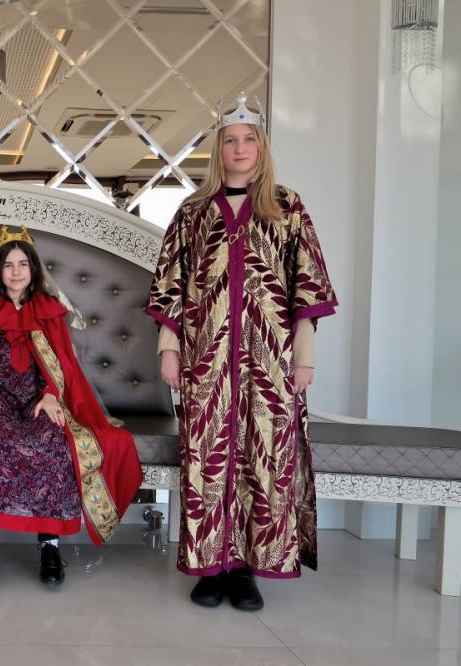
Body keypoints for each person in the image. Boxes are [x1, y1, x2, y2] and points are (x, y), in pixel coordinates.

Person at [145, 94, 338, 611]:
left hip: (269, 359)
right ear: (219, 149)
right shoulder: (192, 212)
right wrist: (169, 350)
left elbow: (306, 289)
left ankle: (246, 569)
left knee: (264, 458)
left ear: (262, 146)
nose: (239, 148)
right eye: (230, 140)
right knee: (206, 458)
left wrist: (304, 359)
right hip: (206, 359)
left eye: (249, 139)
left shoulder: (287, 208)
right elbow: (171, 286)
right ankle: (210, 568)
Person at [0, 226, 142, 586]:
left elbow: (61, 364)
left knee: (53, 442)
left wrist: (51, 394)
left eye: (23, 264)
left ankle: (49, 547)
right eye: (8, 265)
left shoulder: (49, 313)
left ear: (33, 269)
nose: (16, 271)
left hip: (41, 402)